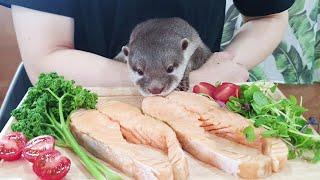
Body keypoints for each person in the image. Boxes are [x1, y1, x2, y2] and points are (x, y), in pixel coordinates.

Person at [0, 0, 294, 129]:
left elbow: (268, 16)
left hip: (195, 105)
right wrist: (176, 81)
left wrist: (224, 66)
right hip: (70, 107)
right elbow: (45, 58)